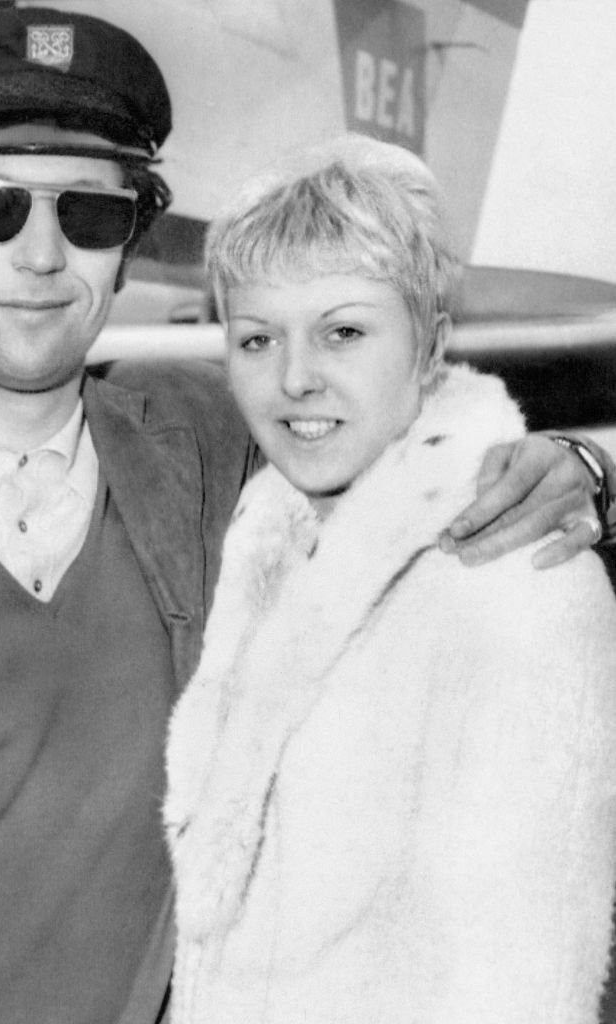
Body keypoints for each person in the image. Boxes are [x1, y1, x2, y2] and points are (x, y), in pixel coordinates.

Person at [0, 8, 610, 1024]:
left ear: (127, 245)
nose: (41, 256)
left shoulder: (217, 452)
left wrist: (585, 460)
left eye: (89, 215)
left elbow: (400, 428)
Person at [162, 135, 616, 1024]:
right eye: (257, 338)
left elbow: (527, 984)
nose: (295, 379)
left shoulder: (519, 579)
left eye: (344, 332)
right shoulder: (268, 546)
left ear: (431, 344)